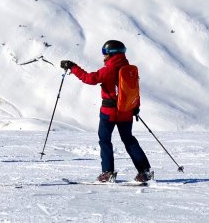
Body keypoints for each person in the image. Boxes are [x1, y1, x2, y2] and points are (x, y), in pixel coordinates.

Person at [61, 40, 153, 183]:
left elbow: (89, 78)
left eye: (105, 52)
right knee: (129, 140)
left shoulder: (108, 69)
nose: (103, 56)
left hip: (109, 112)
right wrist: (135, 107)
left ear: (111, 53)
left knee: (105, 140)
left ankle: (108, 172)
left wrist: (73, 67)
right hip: (126, 111)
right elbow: (134, 91)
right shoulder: (129, 70)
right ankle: (145, 171)